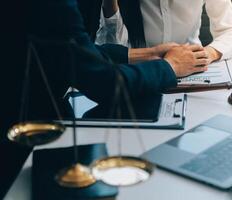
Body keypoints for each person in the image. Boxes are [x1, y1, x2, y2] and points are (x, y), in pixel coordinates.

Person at [0, 0, 208, 197]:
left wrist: (144, 54)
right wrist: (170, 66)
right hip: (16, 138)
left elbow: (76, 48)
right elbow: (106, 84)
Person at [96, 0, 232, 64]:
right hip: (139, 73)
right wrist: (110, 5)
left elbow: (231, 32)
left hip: (194, 73)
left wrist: (205, 55)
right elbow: (112, 52)